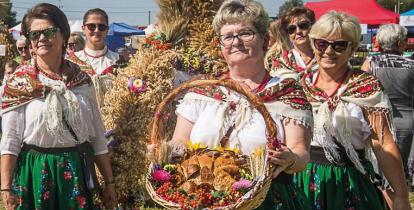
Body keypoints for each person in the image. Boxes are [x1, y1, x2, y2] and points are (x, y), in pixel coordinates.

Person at [168, 0, 313, 209]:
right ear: (221, 46)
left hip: (266, 200)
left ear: (265, 40)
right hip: (203, 199)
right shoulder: (204, 91)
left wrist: (289, 158)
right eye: (227, 37)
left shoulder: (287, 92)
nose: (235, 42)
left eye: (245, 33)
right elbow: (180, 140)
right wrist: (166, 151)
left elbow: (301, 153)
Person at [0, 3, 116, 209]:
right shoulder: (19, 82)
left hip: (77, 169)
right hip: (35, 172)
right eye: (34, 34)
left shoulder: (82, 80)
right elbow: (10, 140)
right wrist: (6, 188)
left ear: (64, 36)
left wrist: (109, 182)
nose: (41, 38)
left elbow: (97, 136)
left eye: (49, 31)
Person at [294, 11, 411, 210]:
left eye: (339, 45)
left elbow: (383, 143)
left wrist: (400, 196)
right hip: (305, 180)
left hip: (350, 180)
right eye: (322, 43)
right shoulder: (300, 86)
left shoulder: (367, 87)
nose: (329, 51)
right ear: (313, 45)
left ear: (353, 48)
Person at [361, 24, 414, 203]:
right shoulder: (411, 65)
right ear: (400, 43)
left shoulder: (370, 62)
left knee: (382, 172)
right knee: (400, 171)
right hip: (407, 122)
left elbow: (360, 93)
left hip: (379, 122)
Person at [269, 6, 318, 80]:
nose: (298, 31)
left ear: (313, 26)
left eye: (303, 25)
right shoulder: (281, 62)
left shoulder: (325, 57)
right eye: (292, 29)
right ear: (288, 34)